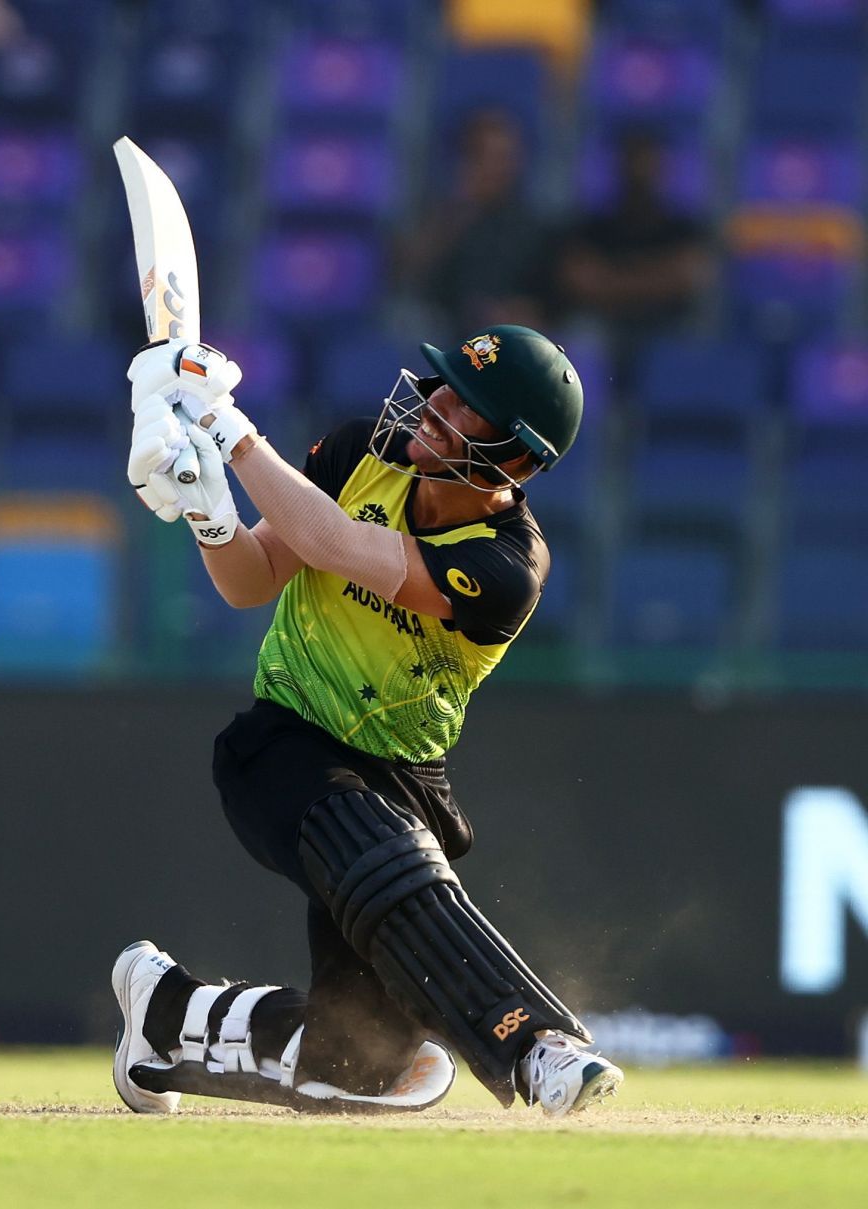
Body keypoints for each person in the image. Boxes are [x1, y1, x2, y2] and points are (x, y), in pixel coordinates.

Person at [112, 325, 623, 1118]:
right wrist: (210, 515)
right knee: (381, 854)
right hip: (284, 748)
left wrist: (228, 429)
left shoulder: (505, 564)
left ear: (515, 459)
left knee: (359, 1059)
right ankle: (538, 1047)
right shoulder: (364, 453)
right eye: (447, 384)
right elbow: (254, 580)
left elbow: (339, 544)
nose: (438, 404)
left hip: (401, 780)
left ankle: (167, 1012)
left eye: (468, 404)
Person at [555, 130, 713, 343]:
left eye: (648, 165)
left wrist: (610, 280)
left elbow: (690, 277)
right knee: (582, 331)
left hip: (669, 325)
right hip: (605, 327)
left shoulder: (684, 228)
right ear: (618, 169)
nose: (640, 173)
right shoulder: (591, 227)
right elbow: (581, 283)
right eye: (633, 164)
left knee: (699, 332)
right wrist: (657, 277)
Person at [401, 109, 550, 335]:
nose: (492, 168)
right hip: (445, 325)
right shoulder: (437, 212)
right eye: (481, 156)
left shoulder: (535, 224)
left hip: (514, 332)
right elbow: (406, 274)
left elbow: (548, 292)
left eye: (502, 157)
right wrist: (457, 213)